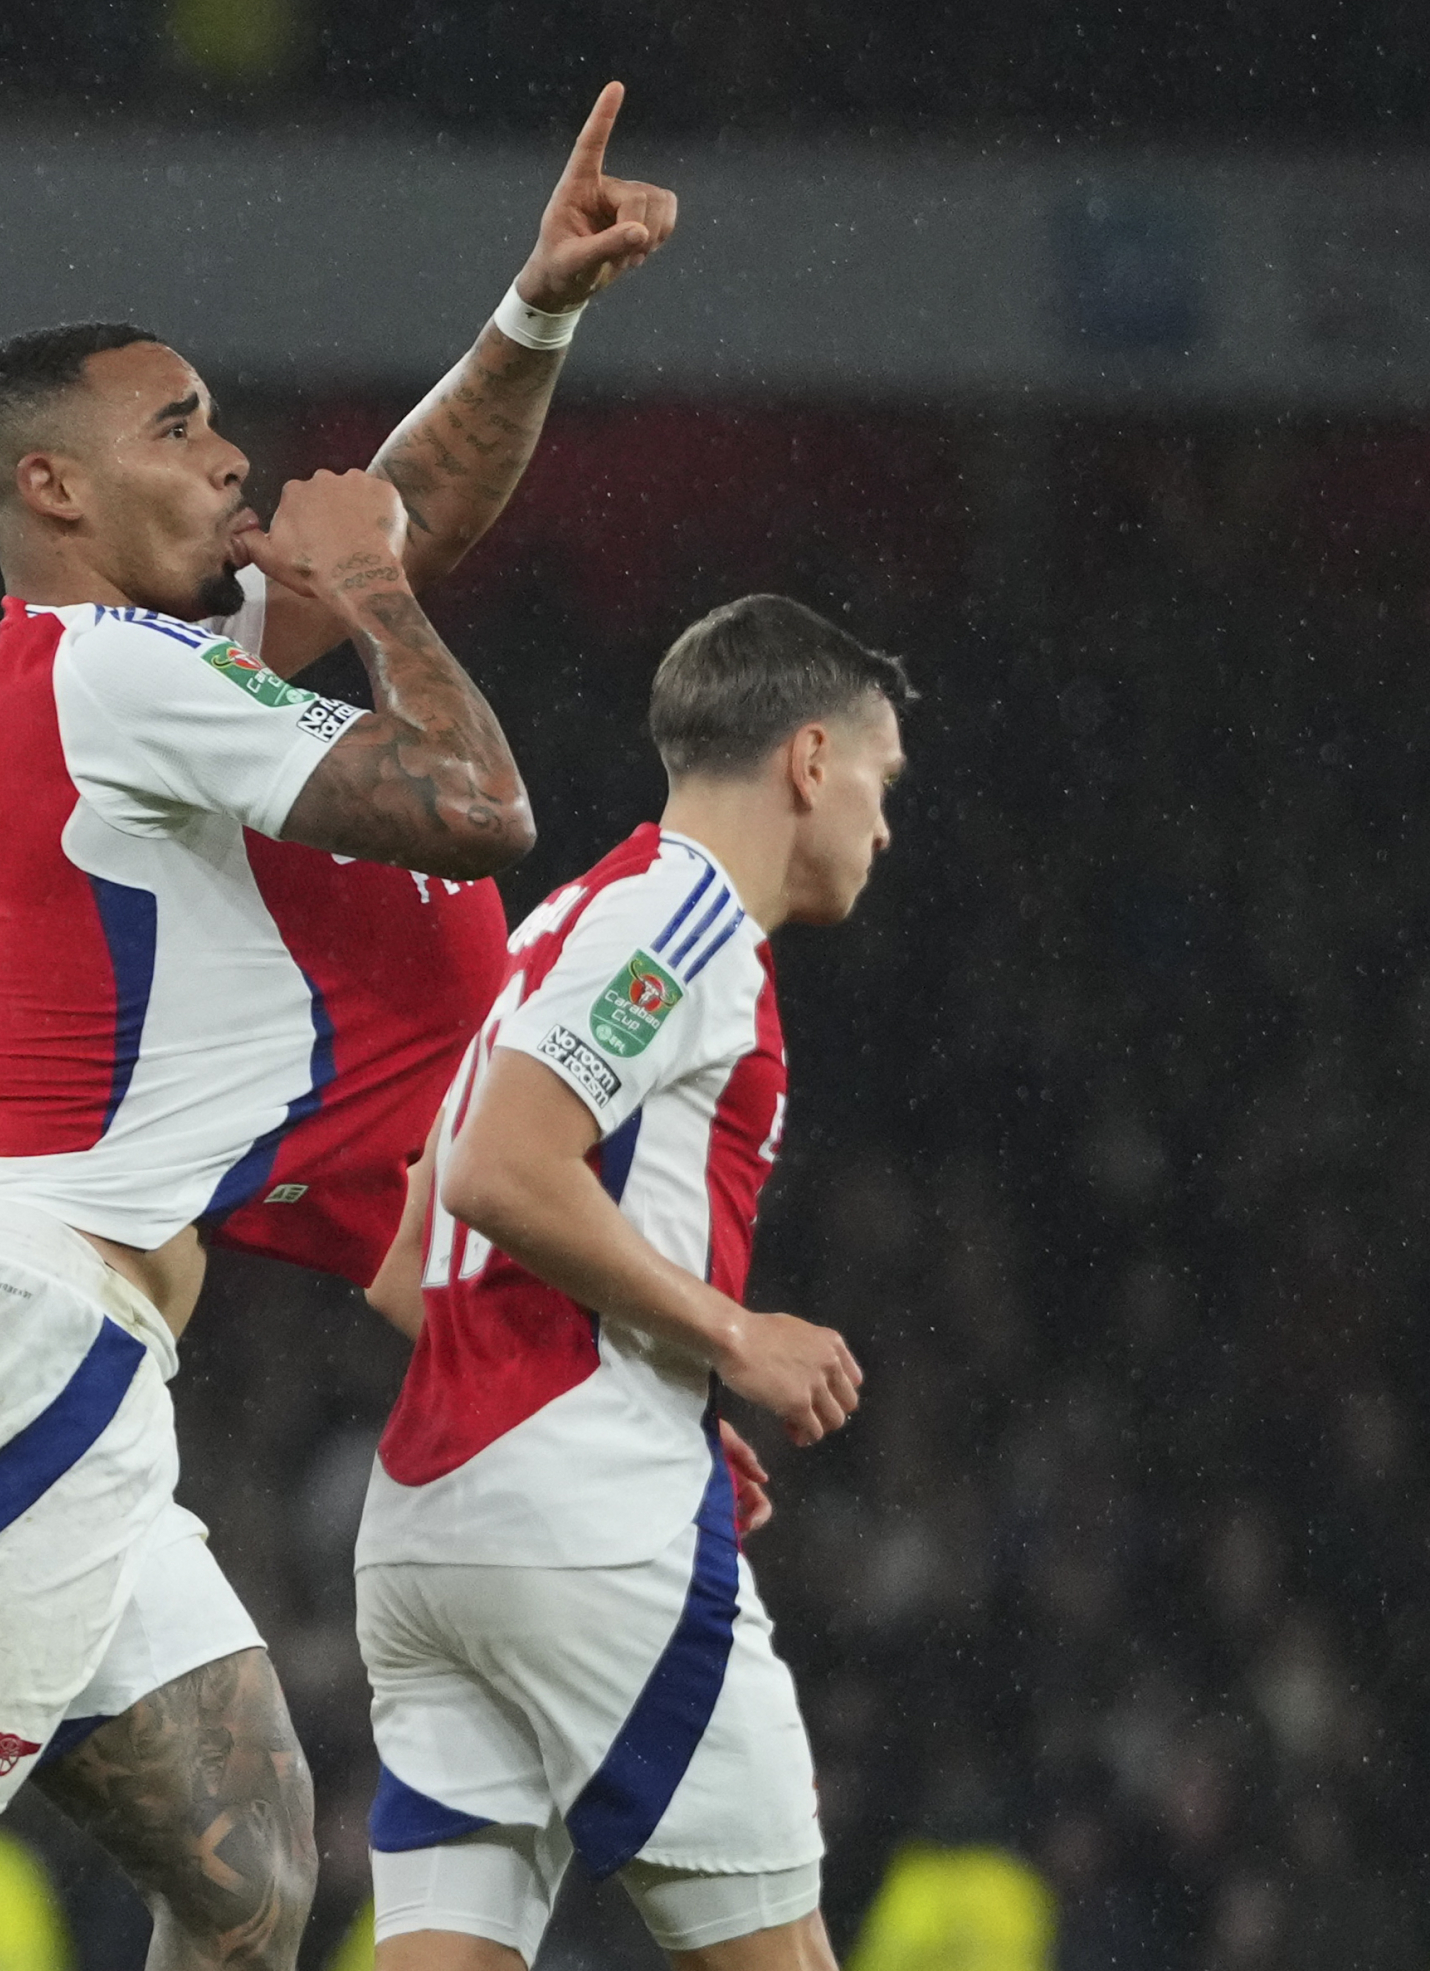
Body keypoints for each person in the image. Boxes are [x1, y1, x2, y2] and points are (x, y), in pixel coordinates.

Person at [0, 80, 680, 1971]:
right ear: (56, 492)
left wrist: (534, 316)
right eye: (179, 426)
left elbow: (394, 501)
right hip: (15, 1323)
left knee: (251, 1869)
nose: (234, 454)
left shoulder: (103, 689)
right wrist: (375, 594)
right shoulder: (109, 678)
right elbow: (472, 798)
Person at [352, 596, 904, 1971]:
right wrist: (731, 1340)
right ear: (811, 759)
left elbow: (412, 1251)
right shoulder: (685, 922)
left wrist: (649, 1372)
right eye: (882, 787)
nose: (882, 831)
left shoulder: (571, 921)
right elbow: (497, 1175)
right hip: (586, 1520)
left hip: (432, 1525)